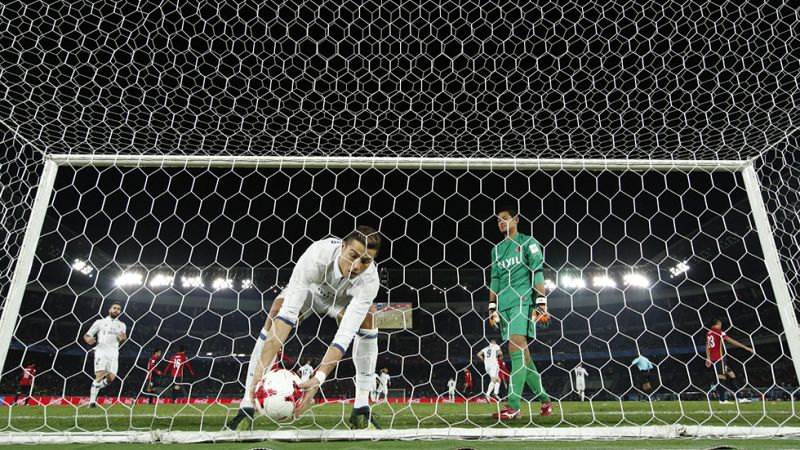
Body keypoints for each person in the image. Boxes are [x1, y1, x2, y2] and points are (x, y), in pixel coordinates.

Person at [227, 226, 382, 431]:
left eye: (365, 261)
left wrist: (318, 379)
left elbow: (344, 335)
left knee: (369, 316)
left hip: (341, 302)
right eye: (353, 255)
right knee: (276, 310)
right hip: (311, 294)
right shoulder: (316, 256)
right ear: (343, 247)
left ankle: (361, 409)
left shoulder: (370, 280)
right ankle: (247, 405)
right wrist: (259, 373)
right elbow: (287, 317)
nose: (356, 266)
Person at [488, 205, 552, 420]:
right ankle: (545, 399)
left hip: (523, 301)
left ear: (516, 219)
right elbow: (494, 279)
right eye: (498, 220)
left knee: (513, 346)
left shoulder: (528, 242)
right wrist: (492, 307)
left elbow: (537, 271)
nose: (501, 222)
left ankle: (513, 406)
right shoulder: (496, 250)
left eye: (505, 218)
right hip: (504, 305)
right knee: (523, 355)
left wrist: (542, 303)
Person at [83, 302, 127, 407]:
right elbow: (87, 335)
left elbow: (123, 338)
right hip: (101, 351)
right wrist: (88, 339)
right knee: (99, 375)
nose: (116, 310)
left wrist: (123, 339)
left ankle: (95, 387)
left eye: (119, 309)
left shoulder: (122, 325)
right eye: (114, 308)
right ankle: (92, 402)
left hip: (114, 353)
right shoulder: (100, 322)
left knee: (111, 379)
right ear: (109, 310)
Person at [706, 317, 755, 404]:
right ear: (718, 323)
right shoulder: (719, 332)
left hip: (715, 359)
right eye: (720, 324)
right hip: (719, 358)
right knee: (722, 377)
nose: (721, 325)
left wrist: (708, 358)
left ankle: (739, 398)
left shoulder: (709, 333)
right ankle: (722, 400)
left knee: (732, 375)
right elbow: (731, 341)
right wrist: (745, 347)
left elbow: (707, 346)